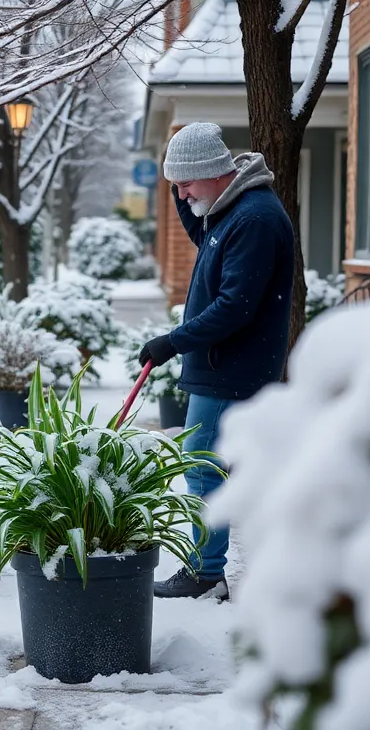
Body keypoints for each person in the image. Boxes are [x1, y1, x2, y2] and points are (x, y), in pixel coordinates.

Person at [139, 122, 294, 601]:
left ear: (211, 172)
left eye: (185, 183)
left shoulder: (254, 219)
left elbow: (235, 306)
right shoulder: (228, 210)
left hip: (232, 370)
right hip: (224, 366)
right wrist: (177, 185)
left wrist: (174, 341)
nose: (181, 194)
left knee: (203, 469)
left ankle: (206, 574)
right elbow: (199, 227)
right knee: (225, 468)